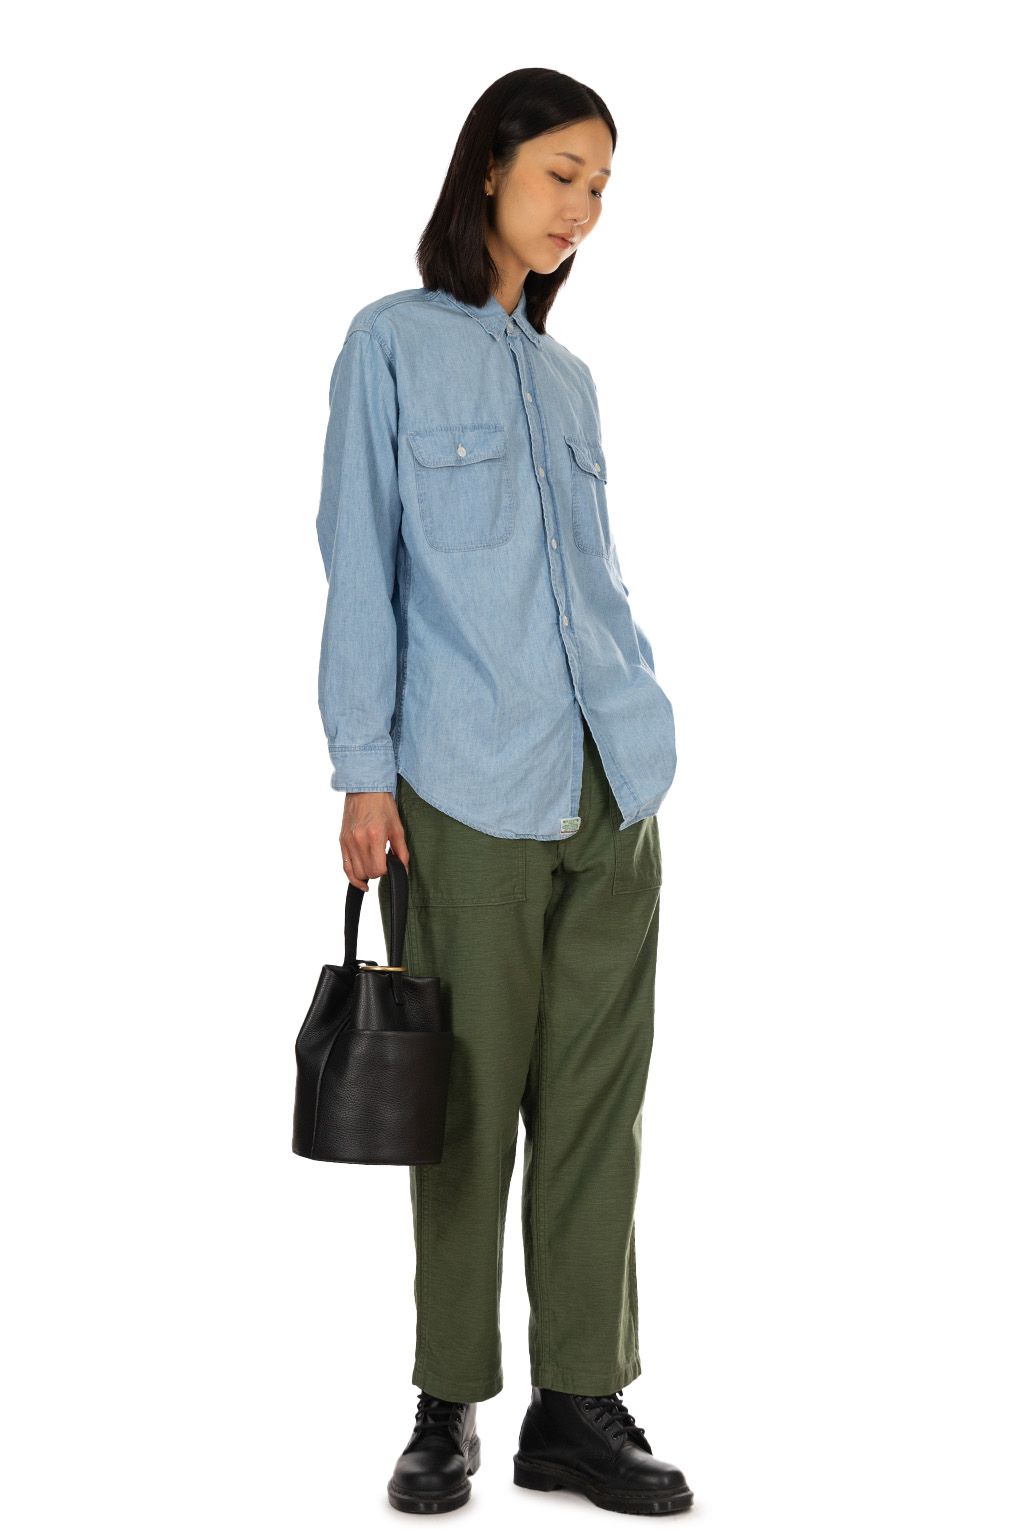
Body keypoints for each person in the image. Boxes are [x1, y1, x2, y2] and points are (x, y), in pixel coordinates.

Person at [315, 67, 694, 1518]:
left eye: (599, 187)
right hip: (464, 791)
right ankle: (446, 1402)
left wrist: (645, 730)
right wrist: (364, 773)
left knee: (598, 1110)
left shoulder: (567, 378)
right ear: (489, 166)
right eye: (560, 174)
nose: (581, 207)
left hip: (614, 789)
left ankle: (579, 1404)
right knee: (464, 1108)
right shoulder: (391, 343)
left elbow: (595, 583)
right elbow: (361, 567)